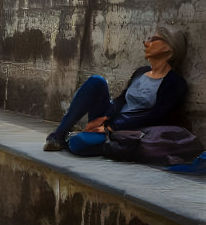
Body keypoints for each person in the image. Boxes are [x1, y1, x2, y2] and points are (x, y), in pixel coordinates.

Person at [44, 26, 188, 154]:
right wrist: (105, 117)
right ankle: (59, 135)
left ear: (168, 48)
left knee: (79, 143)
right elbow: (122, 99)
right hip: (111, 122)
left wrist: (111, 126)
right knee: (96, 81)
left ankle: (78, 138)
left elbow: (154, 116)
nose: (146, 42)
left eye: (153, 39)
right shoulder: (141, 72)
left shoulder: (175, 83)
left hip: (127, 131)